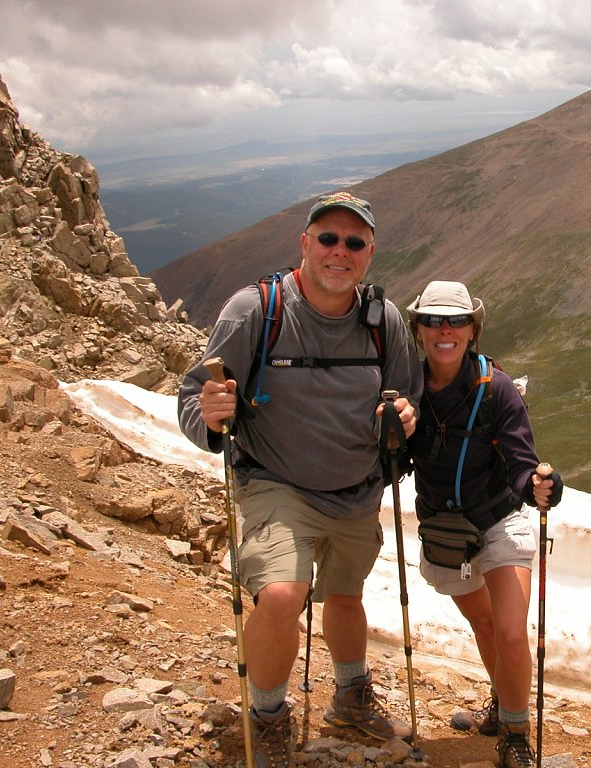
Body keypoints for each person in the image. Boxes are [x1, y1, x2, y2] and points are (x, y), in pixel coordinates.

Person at [177, 192, 422, 767]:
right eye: (328, 239)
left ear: (369, 253)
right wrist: (210, 416)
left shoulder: (382, 320)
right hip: (276, 482)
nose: (340, 252)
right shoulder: (256, 311)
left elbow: (404, 395)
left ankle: (351, 699)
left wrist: (401, 419)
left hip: (356, 489)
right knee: (283, 594)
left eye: (354, 243)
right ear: (305, 244)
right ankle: (267, 718)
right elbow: (194, 396)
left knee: (345, 595)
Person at [405, 281, 564, 768]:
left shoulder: (497, 389)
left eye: (455, 321)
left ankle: (515, 735)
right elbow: (392, 461)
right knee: (484, 622)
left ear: (472, 330)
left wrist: (538, 486)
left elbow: (521, 464)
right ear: (418, 330)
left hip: (500, 520)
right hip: (447, 532)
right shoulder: (407, 388)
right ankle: (502, 700)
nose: (444, 330)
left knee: (510, 631)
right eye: (433, 321)